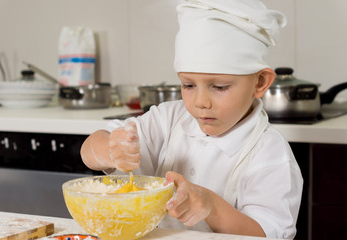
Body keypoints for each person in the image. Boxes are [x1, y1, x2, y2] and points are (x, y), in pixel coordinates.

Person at [80, 0, 303, 239]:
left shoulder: (269, 152)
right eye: (188, 85)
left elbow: (268, 233)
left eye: (219, 87)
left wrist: (211, 207)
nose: (201, 102)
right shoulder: (168, 119)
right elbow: (91, 148)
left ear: (259, 83)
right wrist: (111, 150)